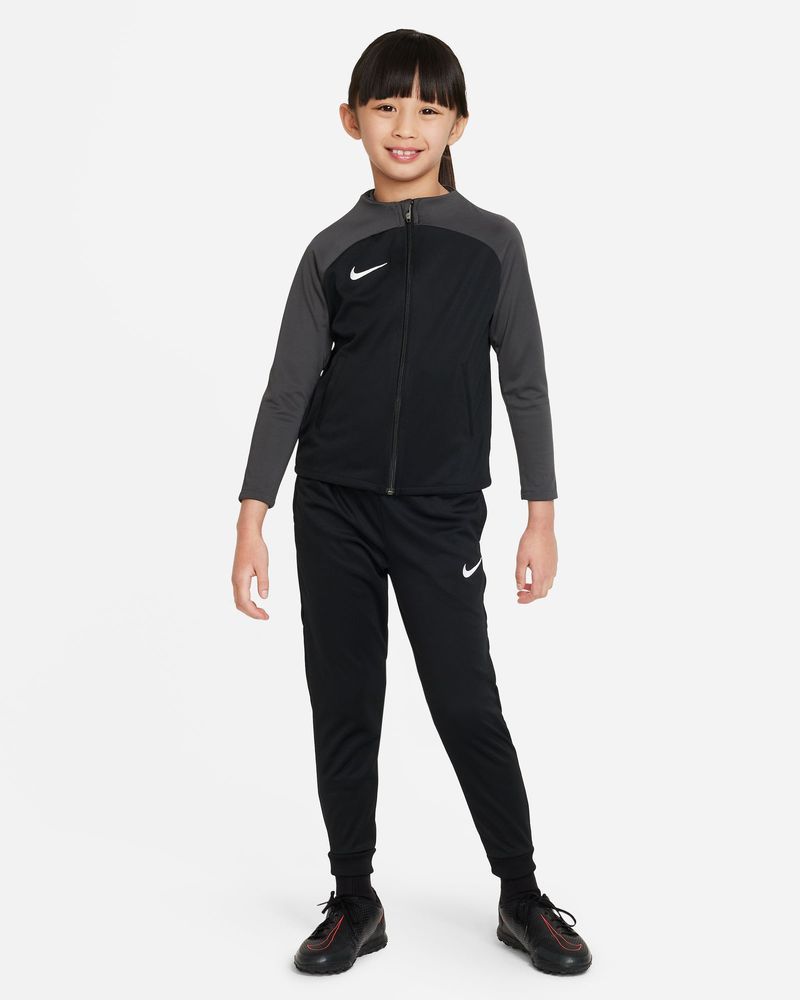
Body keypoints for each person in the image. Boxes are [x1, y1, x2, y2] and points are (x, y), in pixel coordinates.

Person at [232, 28, 592, 977]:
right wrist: (252, 516)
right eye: (387, 106)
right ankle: (354, 900)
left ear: (457, 124)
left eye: (429, 109)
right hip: (333, 510)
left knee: (466, 701)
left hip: (441, 513)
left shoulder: (492, 243)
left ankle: (521, 895)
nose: (406, 125)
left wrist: (541, 515)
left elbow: (525, 382)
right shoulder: (331, 250)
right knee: (345, 703)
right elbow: (287, 389)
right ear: (350, 119)